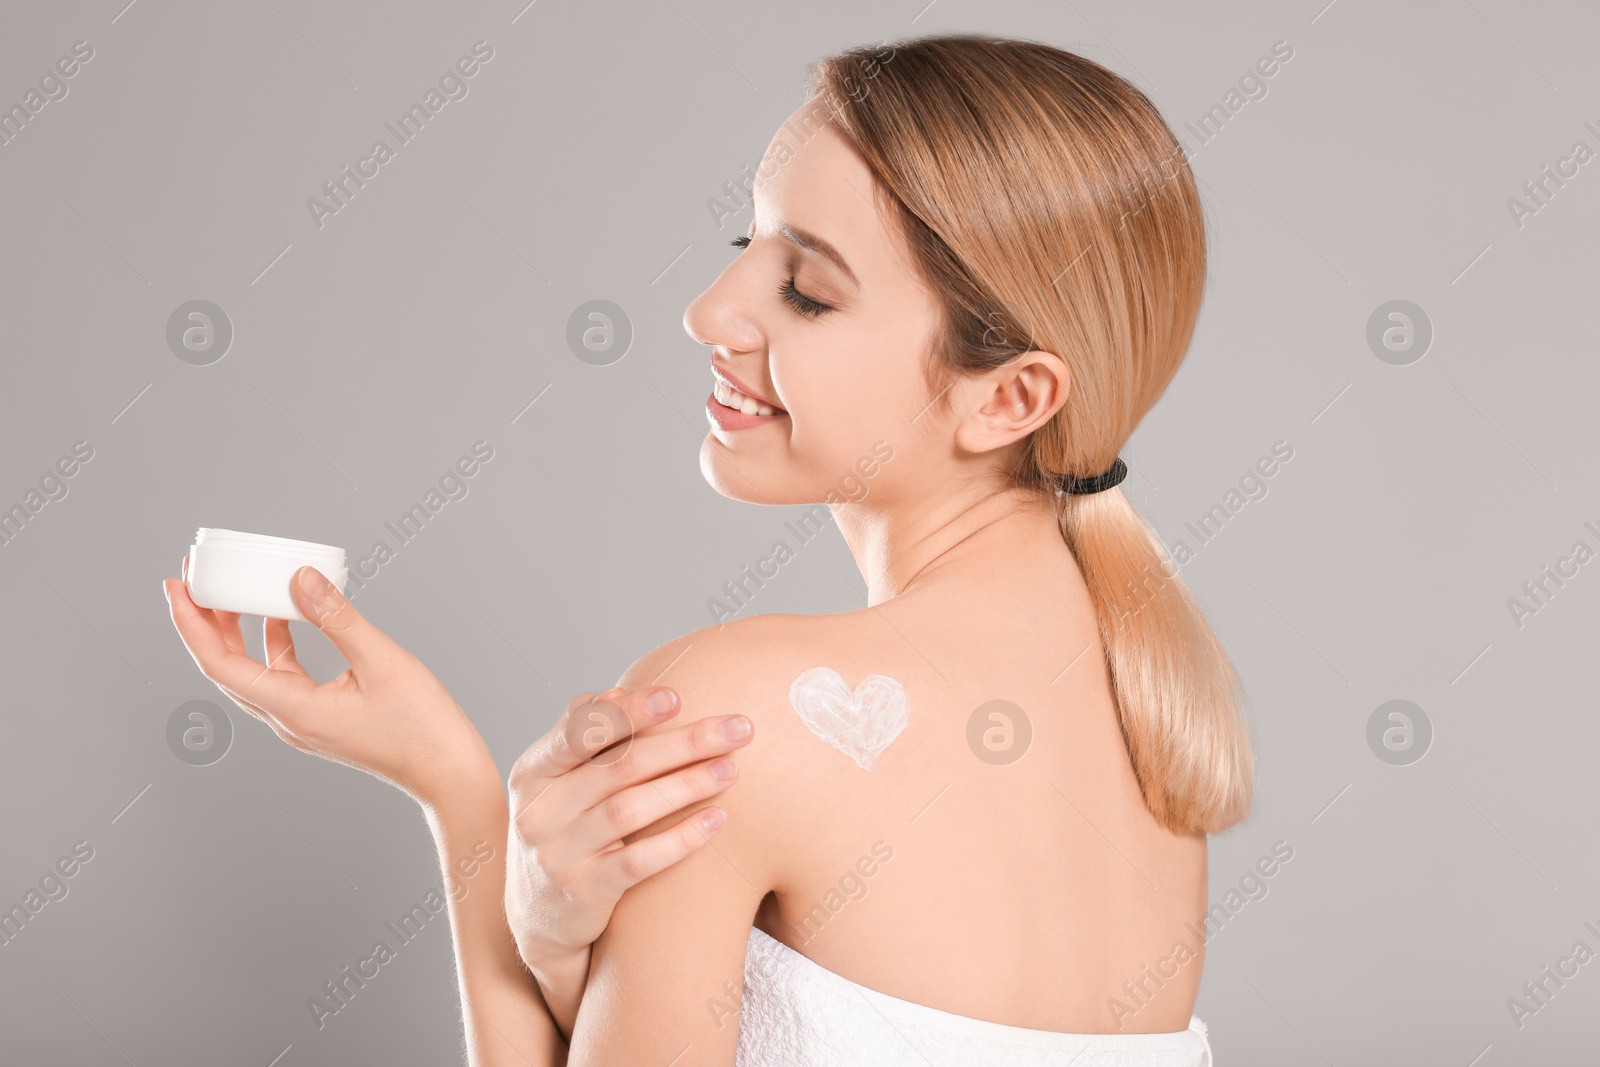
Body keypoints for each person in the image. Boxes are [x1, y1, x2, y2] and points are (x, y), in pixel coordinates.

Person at [166, 30, 1253, 1067]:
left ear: (1009, 396)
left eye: (809, 291)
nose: (706, 312)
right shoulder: (1152, 713)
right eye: (749, 246)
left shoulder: (729, 713)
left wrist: (457, 795)